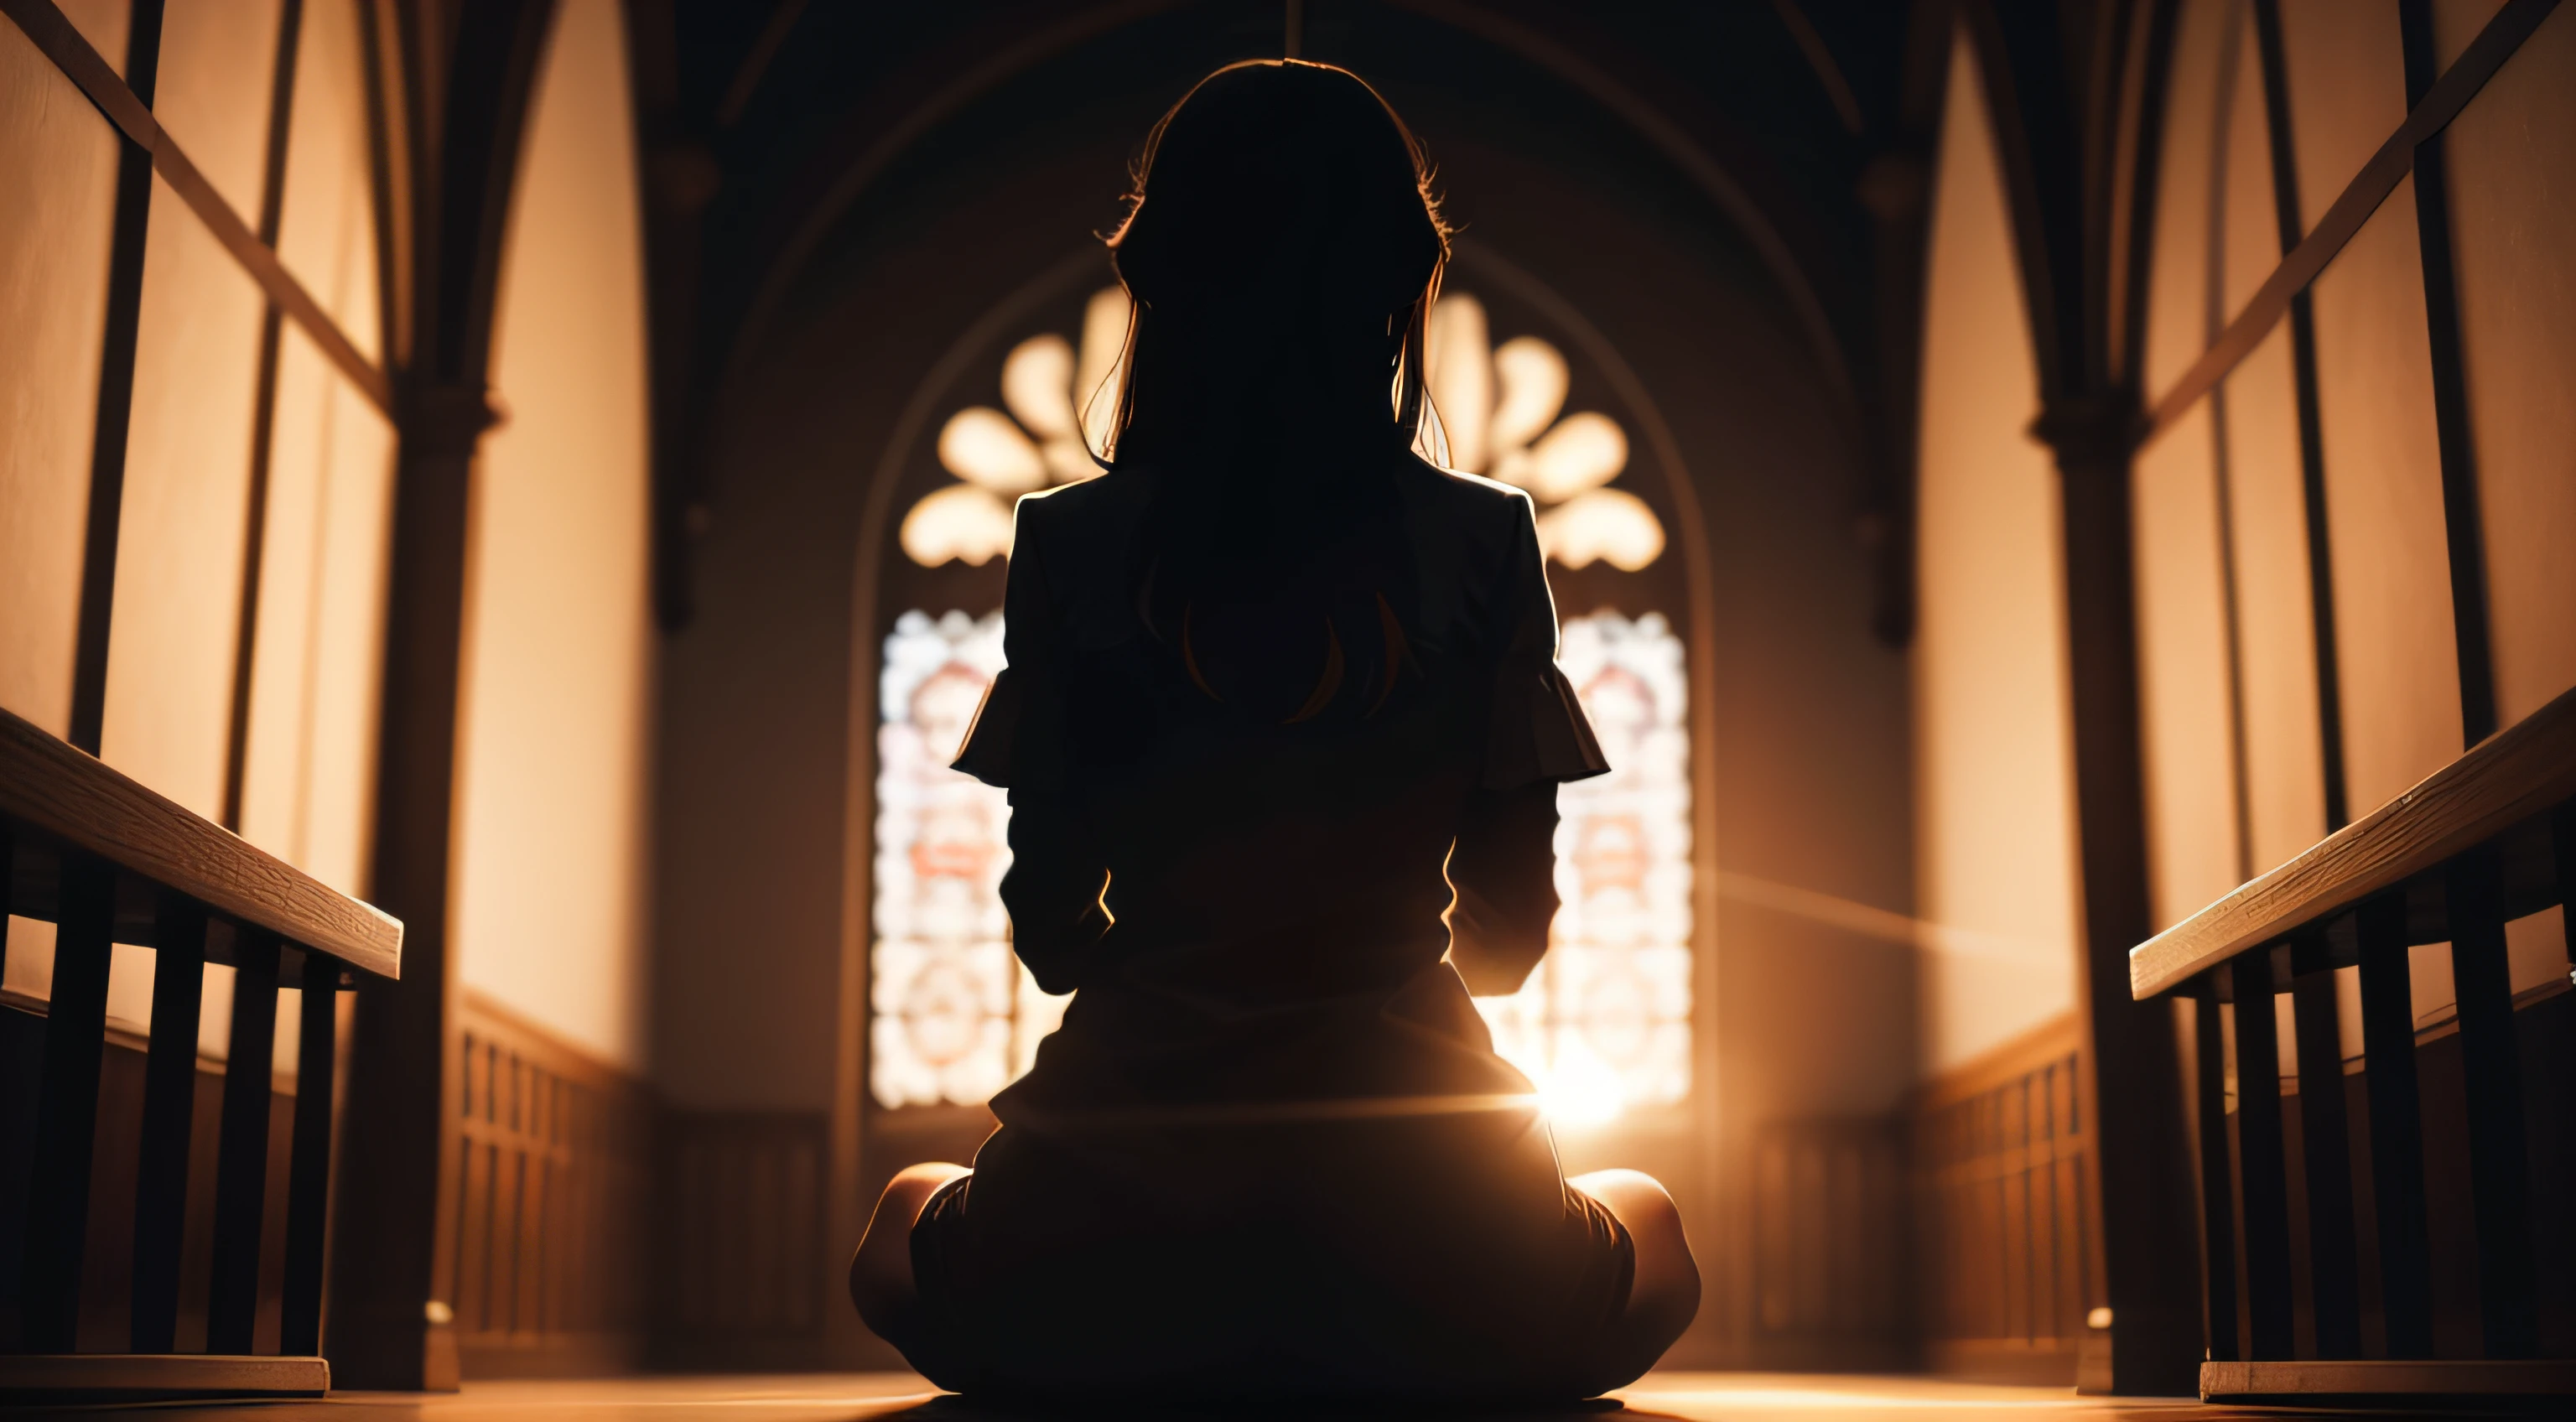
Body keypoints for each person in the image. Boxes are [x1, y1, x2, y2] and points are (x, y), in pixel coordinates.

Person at [848, 58, 1699, 1403]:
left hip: (1103, 1205)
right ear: (1397, 281)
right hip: (1435, 1217)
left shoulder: (1065, 543)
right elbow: (1510, 940)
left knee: (903, 1215)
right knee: (1648, 1217)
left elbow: (1055, 938)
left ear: (1160, 278)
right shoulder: (1485, 540)